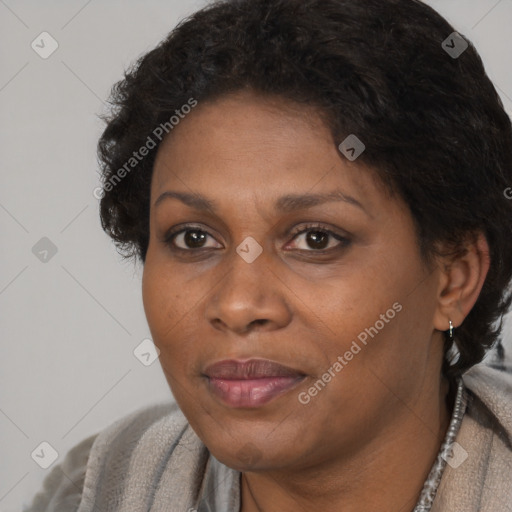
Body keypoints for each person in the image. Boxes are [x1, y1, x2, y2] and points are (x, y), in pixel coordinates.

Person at [25, 0, 512, 510]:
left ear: (454, 278)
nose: (237, 305)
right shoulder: (99, 488)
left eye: (315, 239)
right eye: (194, 238)